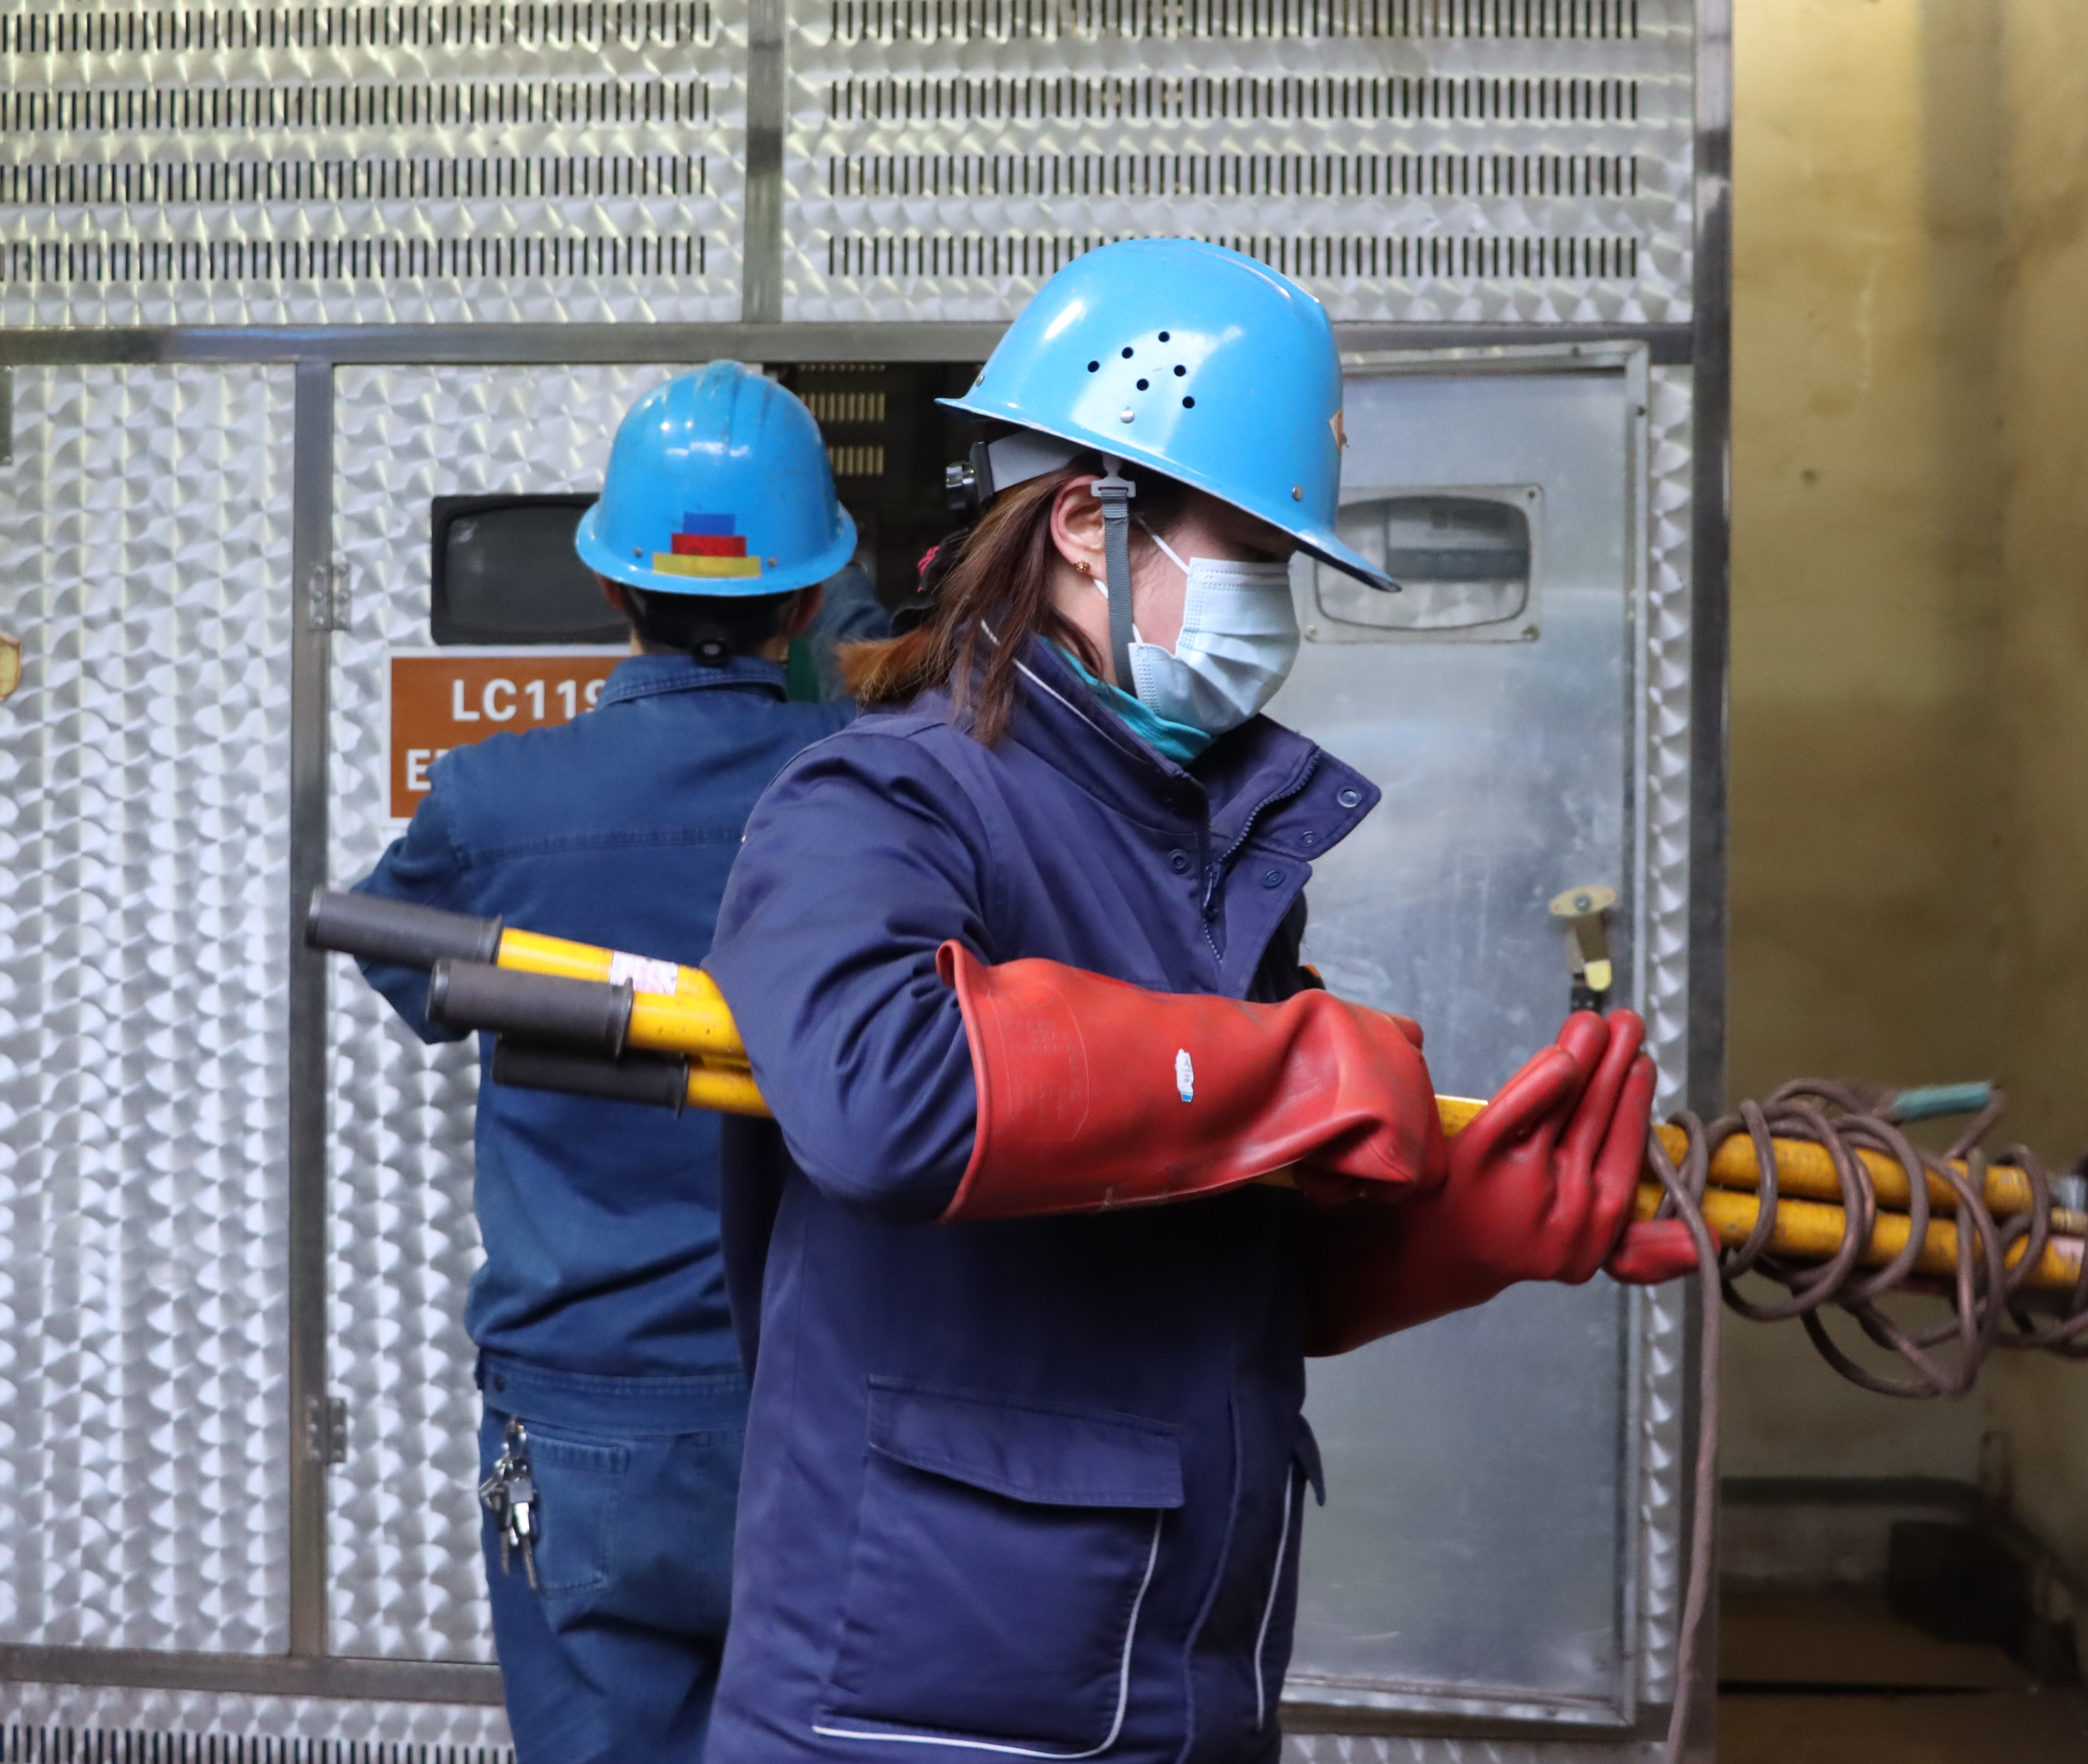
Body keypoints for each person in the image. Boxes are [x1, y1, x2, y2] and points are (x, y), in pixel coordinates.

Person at [699, 240, 1709, 1764]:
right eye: (1247, 544)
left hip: (1166, 1683)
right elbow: (887, 1096)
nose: (1271, 599)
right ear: (1087, 526)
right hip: (914, 1708)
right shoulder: (879, 797)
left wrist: (1461, 1238)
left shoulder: (1197, 840)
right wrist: (1285, 1068)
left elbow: (1189, 1265)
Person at [345, 362, 862, 1764]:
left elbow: (411, 968)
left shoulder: (492, 800)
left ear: (613, 587)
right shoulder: (878, 781)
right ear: (812, 599)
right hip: (829, 1396)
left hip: (585, 1399)